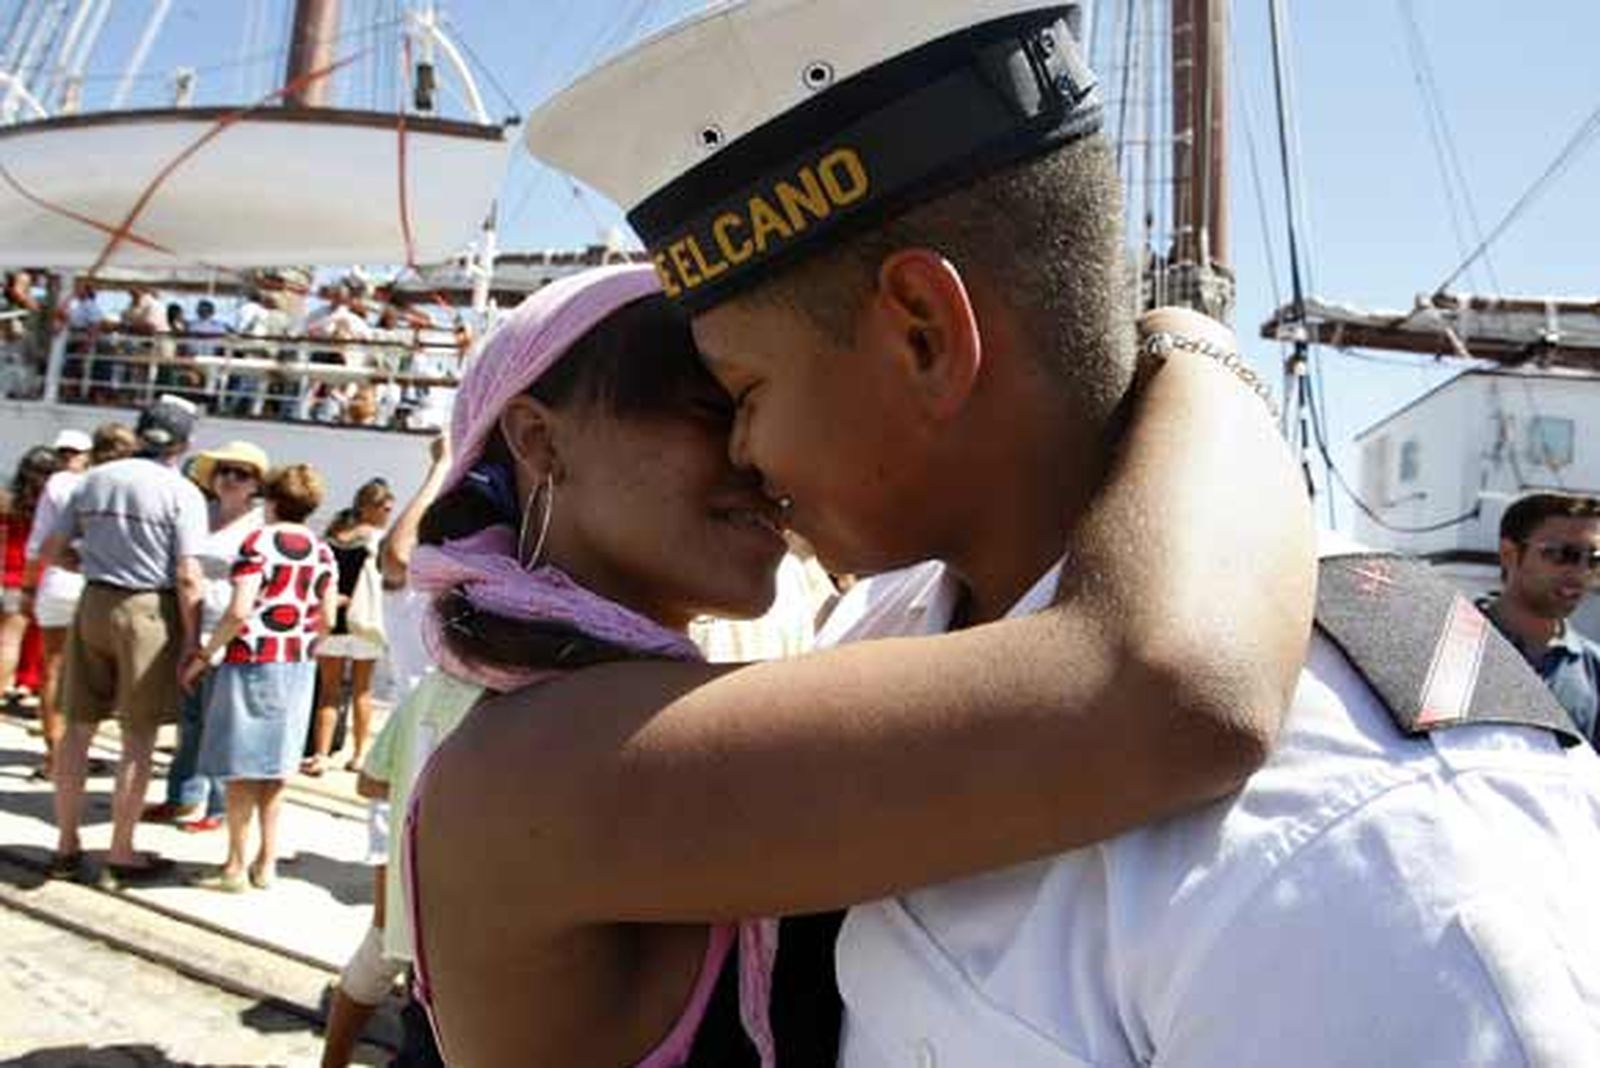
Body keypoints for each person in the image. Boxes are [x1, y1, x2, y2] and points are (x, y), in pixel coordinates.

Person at [511, 3, 1600, 1064]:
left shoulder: (1375, 851)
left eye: (742, 389)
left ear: (924, 336)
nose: (740, 451)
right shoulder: (888, 633)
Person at [403, 260, 1312, 1066]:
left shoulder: (561, 725)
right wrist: (1193, 350)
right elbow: (1169, 692)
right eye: (713, 408)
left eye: (758, 403)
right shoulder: (551, 763)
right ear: (539, 438)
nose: (760, 458)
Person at [319, 434, 451, 1068]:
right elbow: (397, 554)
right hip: (411, 769)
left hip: (433, 777)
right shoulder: (420, 599)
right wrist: (443, 466)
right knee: (388, 939)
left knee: (411, 947)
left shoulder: (477, 607)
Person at [41, 395, 207, 884]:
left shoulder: (94, 479)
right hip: (148, 611)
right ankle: (120, 851)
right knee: (138, 736)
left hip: (93, 600)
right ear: (183, 443)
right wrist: (192, 642)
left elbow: (53, 549)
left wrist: (89, 567)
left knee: (77, 728)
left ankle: (66, 845)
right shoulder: (181, 493)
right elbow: (188, 574)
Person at [183, 464, 337, 891]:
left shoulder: (258, 544)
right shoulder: (322, 551)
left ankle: (234, 864)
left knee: (241, 769)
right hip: (298, 664)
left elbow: (238, 611)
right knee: (276, 769)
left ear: (270, 500)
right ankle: (267, 863)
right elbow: (327, 617)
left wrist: (205, 654)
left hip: (251, 659)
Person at [143, 441, 270, 831]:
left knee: (222, 721)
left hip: (230, 631)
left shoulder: (260, 524)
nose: (230, 478)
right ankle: (182, 794)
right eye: (224, 470)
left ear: (255, 484)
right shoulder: (200, 513)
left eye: (241, 473)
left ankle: (217, 806)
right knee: (190, 718)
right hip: (189, 625)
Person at [24, 424, 136, 780]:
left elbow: (39, 542)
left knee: (53, 670)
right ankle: (79, 753)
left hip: (57, 582)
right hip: (99, 585)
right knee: (99, 674)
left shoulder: (58, 484)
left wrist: (28, 588)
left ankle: (57, 755)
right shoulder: (116, 485)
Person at [1479, 492, 1600, 742]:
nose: (1579, 571)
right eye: (1562, 554)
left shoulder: (1594, 671)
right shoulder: (1445, 649)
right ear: (1509, 554)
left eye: (1594, 560)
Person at [305, 478, 393, 775]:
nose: (389, 510)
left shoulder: (332, 536)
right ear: (370, 507)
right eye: (385, 506)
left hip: (332, 620)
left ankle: (320, 755)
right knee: (362, 690)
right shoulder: (379, 539)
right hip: (364, 622)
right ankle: (358, 756)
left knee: (328, 692)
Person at [0, 446, 63, 708]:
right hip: (43, 576)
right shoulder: (55, 504)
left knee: (8, 641)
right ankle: (28, 684)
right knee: (43, 642)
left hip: (13, 575)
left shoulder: (8, 502)